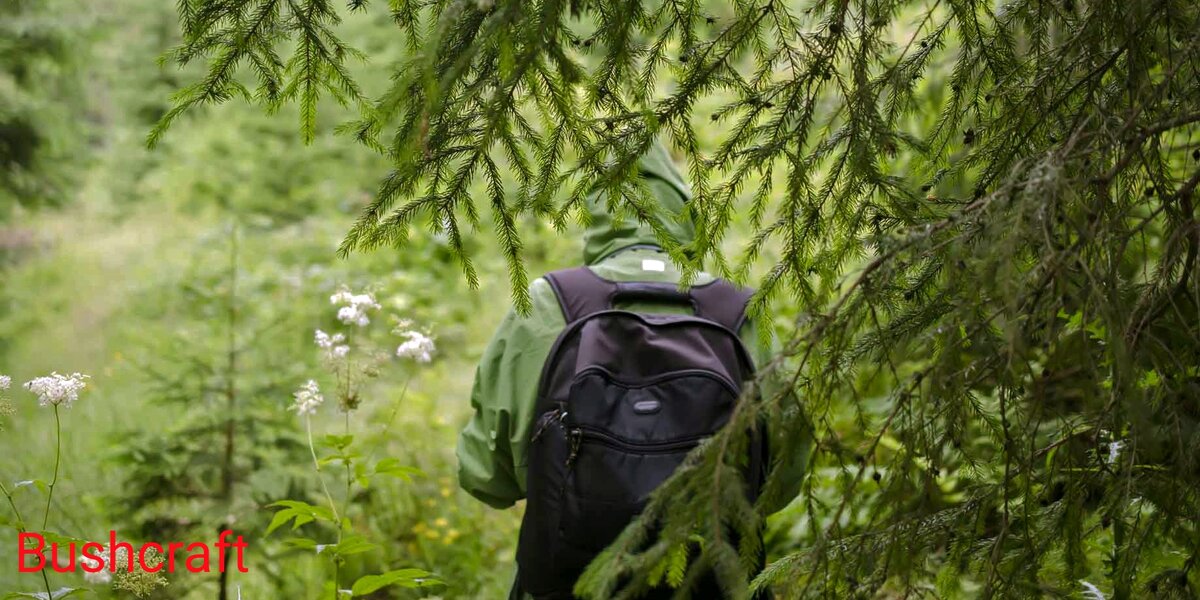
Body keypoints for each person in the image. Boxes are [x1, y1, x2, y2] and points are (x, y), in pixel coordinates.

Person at [456, 141, 809, 599]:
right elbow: (784, 470)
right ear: (684, 210)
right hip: (713, 580)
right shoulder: (737, 310)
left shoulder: (550, 303)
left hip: (570, 582)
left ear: (598, 214)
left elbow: (486, 475)